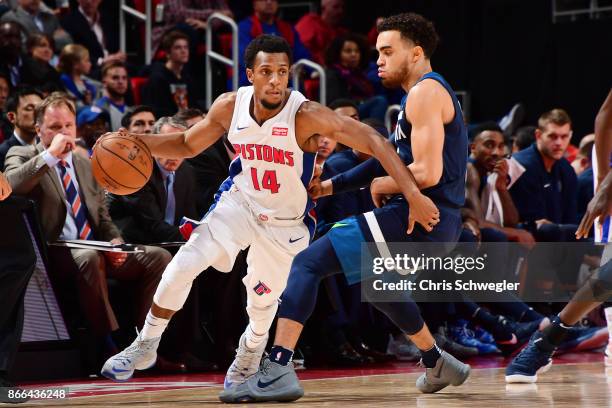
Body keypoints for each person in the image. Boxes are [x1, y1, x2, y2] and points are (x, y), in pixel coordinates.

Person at [100, 34, 438, 392]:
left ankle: (249, 353)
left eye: (282, 72)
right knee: (184, 263)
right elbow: (186, 143)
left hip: (285, 222)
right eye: (267, 71)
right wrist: (139, 143)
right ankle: (145, 344)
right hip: (240, 204)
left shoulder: (305, 115)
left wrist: (412, 193)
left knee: (261, 303)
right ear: (250, 74)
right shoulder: (231, 106)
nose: (276, 80)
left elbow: (375, 141)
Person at [220, 13, 470, 403]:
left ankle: (278, 368)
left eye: (388, 51)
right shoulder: (418, 96)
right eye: (378, 52)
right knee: (382, 286)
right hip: (436, 224)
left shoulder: (426, 92)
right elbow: (384, 159)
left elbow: (427, 171)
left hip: (419, 216)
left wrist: (382, 185)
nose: (379, 60)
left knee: (307, 263)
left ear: (417, 53)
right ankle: (435, 360)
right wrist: (330, 186)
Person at [4, 92, 172, 362]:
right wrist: (49, 155)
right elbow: (9, 185)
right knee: (90, 258)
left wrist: (116, 241)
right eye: (55, 127)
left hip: (95, 245)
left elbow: (103, 217)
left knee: (158, 257)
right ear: (38, 130)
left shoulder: (86, 162)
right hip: (53, 252)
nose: (64, 133)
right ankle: (110, 343)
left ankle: (145, 345)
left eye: (68, 126)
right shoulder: (23, 153)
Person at [505, 89, 612, 383]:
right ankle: (547, 338)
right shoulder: (524, 165)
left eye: (565, 137)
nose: (559, 143)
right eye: (553, 136)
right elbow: (606, 113)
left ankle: (551, 337)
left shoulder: (563, 169)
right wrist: (604, 180)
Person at [237, 0, 310, 86]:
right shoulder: (244, 28)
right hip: (254, 82)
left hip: (287, 82)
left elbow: (302, 54)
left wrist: (299, 67)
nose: (269, 2)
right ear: (254, 4)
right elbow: (247, 59)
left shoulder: (287, 28)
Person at [0, 87, 43, 169]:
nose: (38, 113)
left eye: (40, 108)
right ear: (11, 117)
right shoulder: (2, 153)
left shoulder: (48, 146)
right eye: (30, 108)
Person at [94, 61, 130, 131]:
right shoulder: (97, 110)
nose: (121, 81)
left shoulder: (131, 110)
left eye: (124, 78)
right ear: (104, 82)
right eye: (115, 78)